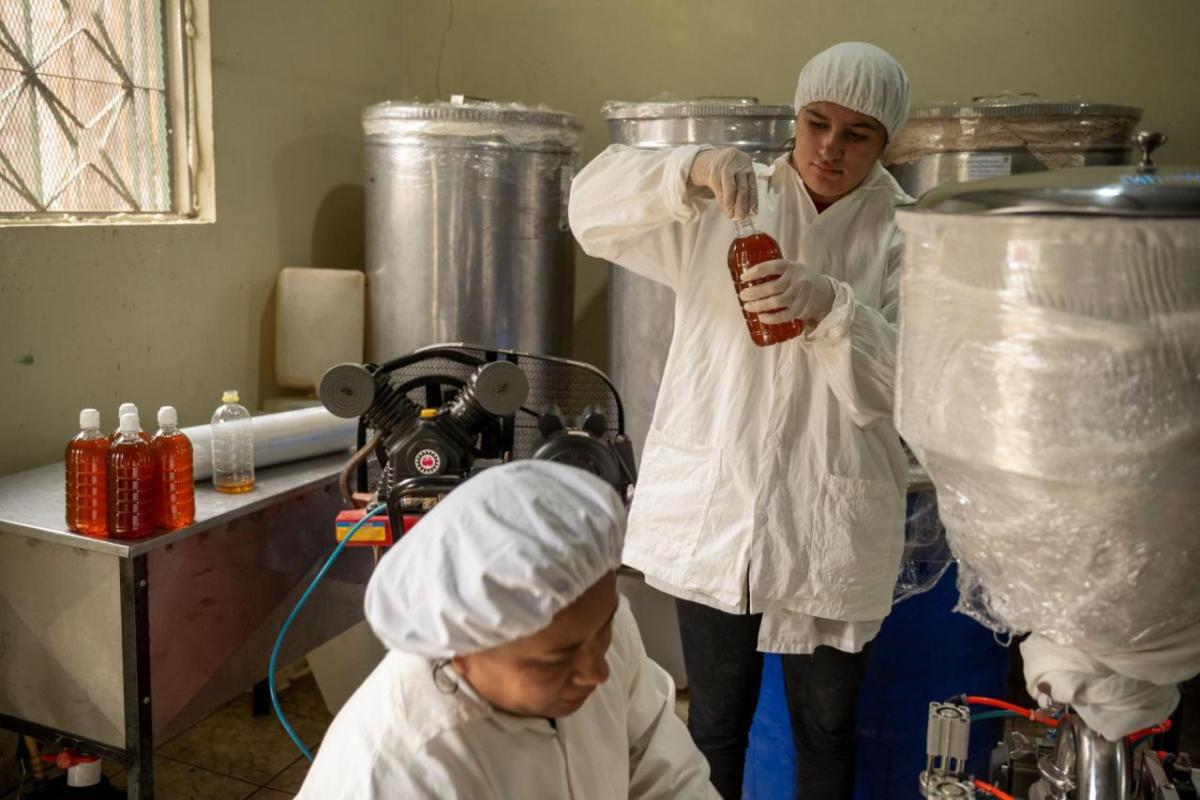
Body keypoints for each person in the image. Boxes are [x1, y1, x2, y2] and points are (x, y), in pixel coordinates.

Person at [568, 42, 912, 798]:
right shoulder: (729, 202)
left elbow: (912, 383)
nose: (830, 147)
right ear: (796, 116)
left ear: (888, 143)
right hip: (721, 507)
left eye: (857, 134)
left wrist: (831, 307)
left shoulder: (906, 237)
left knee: (826, 727)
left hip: (831, 517)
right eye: (817, 122)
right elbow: (589, 209)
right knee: (714, 719)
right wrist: (682, 169)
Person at [297, 460, 719, 799]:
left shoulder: (592, 625)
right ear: (460, 652)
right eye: (558, 658)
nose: (597, 671)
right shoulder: (397, 774)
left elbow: (660, 767)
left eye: (605, 627)